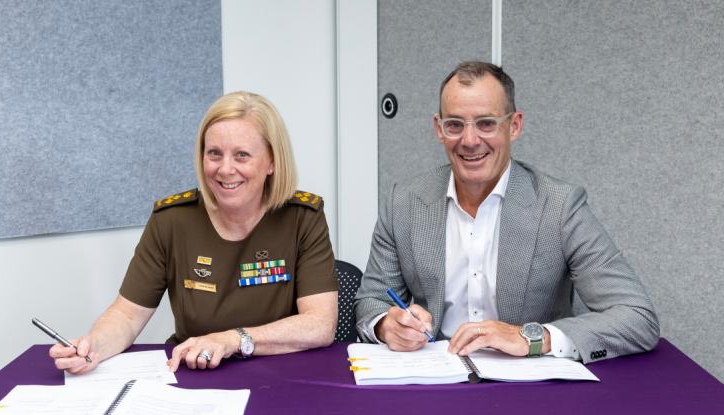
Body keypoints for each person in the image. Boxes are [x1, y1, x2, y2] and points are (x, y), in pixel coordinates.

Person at [354, 61, 659, 363]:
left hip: (529, 379)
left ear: (514, 126)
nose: (470, 141)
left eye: (486, 123)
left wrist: (532, 338)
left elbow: (637, 317)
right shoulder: (403, 203)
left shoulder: (559, 206)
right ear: (439, 129)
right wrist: (386, 325)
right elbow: (372, 301)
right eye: (455, 125)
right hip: (436, 374)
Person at [50, 91, 339, 373]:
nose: (225, 169)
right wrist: (93, 346)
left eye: (242, 155)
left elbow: (320, 324)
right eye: (214, 154)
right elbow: (127, 315)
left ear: (272, 162)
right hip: (195, 373)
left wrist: (232, 339)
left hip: (282, 375)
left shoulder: (303, 217)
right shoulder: (172, 220)